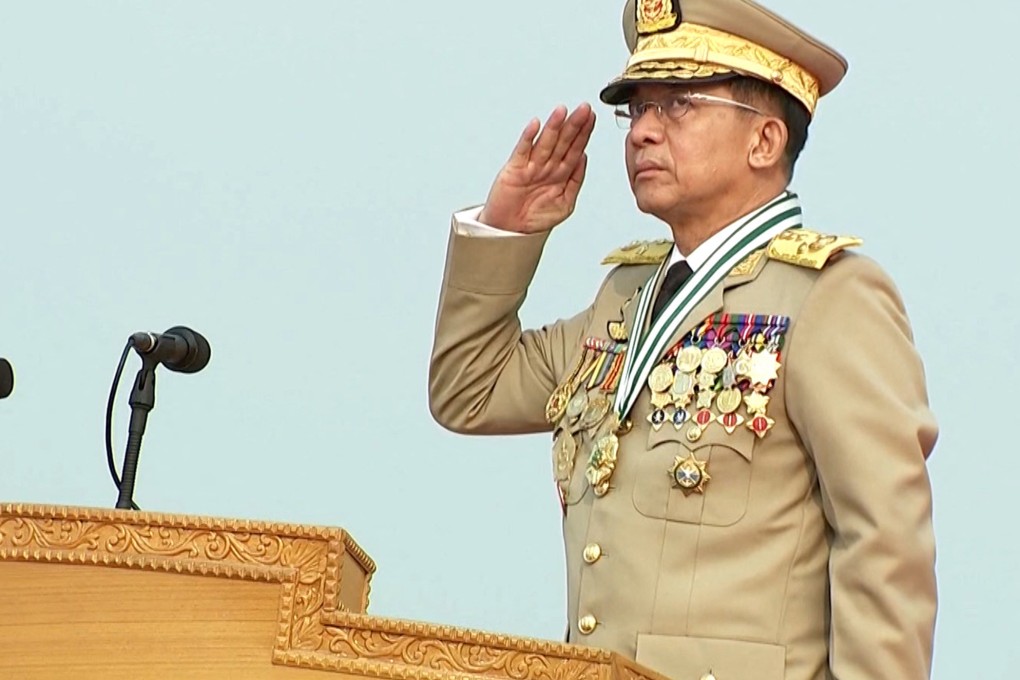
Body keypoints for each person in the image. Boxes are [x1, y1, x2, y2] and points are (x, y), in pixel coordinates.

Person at [428, 1, 938, 678]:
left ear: (764, 141)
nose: (642, 133)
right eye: (635, 110)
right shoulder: (626, 299)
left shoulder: (830, 298)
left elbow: (885, 547)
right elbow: (470, 391)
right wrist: (508, 230)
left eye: (679, 105)